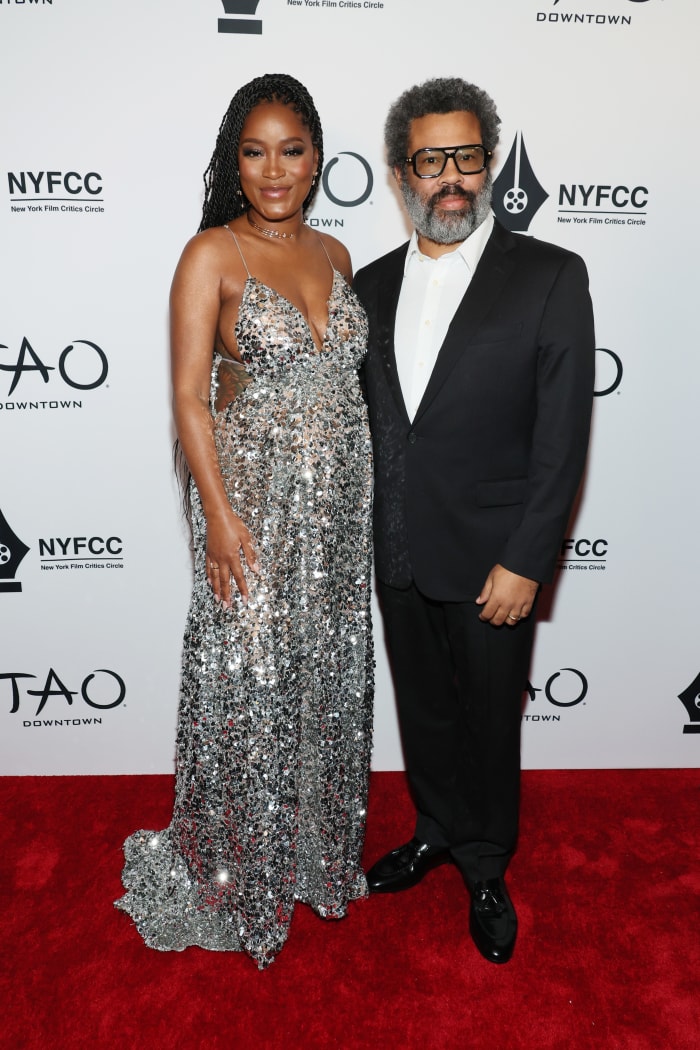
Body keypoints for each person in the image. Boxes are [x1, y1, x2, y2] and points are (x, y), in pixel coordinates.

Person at [116, 74, 373, 969]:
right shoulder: (211, 253)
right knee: (251, 684)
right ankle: (235, 871)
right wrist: (218, 519)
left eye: (291, 150)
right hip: (252, 507)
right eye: (255, 151)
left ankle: (312, 856)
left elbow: (345, 386)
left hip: (338, 511)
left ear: (316, 160)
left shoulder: (337, 255)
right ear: (235, 160)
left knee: (324, 677)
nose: (274, 169)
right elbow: (190, 399)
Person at [354, 77, 594, 964]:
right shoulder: (369, 288)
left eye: (467, 157)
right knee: (426, 710)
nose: (450, 178)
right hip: (400, 550)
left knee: (491, 719)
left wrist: (529, 557)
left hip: (497, 558)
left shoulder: (550, 275)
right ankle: (435, 829)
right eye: (430, 160)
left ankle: (486, 865)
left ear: (488, 164)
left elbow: (563, 438)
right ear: (400, 173)